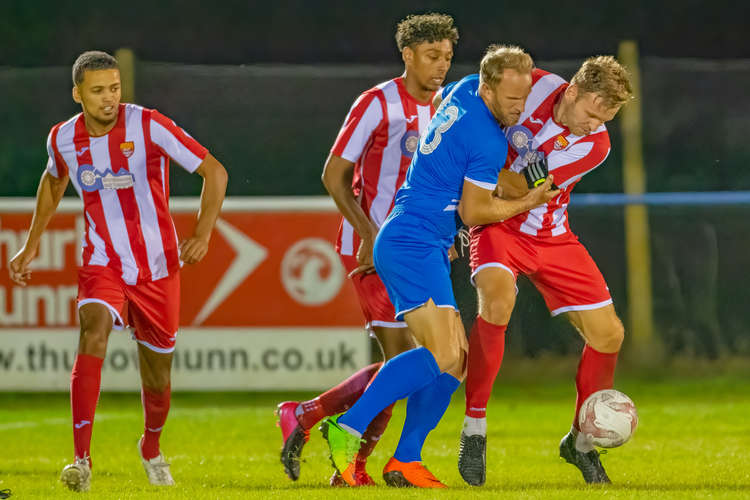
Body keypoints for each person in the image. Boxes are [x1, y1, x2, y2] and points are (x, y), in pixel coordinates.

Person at [319, 45, 558, 488]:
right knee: (443, 354)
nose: (517, 110)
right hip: (411, 241)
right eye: (510, 101)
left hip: (422, 240)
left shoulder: (464, 89)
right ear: (488, 87)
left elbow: (457, 154)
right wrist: (529, 198)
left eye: (523, 101)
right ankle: (346, 427)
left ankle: (405, 460)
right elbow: (474, 211)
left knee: (456, 362)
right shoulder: (486, 138)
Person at [8, 51, 228, 492]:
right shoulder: (63, 138)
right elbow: (53, 181)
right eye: (97, 91)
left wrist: (202, 233)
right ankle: (81, 460)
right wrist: (30, 245)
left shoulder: (149, 125)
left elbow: (214, 171)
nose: (109, 99)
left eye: (114, 88)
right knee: (92, 331)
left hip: (158, 267)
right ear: (77, 94)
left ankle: (150, 446)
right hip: (102, 259)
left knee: (157, 377)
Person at [274, 12, 458, 487]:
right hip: (374, 247)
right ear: (408, 55)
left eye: (448, 57)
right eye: (432, 56)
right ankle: (344, 460)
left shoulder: (448, 109)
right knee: (408, 356)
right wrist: (370, 234)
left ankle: (310, 416)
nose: (441, 66)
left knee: (424, 361)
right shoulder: (377, 103)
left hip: (424, 245)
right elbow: (333, 176)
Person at [456, 56, 633, 486]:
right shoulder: (531, 84)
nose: (595, 126)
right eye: (593, 114)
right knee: (499, 299)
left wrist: (471, 163)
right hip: (499, 224)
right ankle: (474, 428)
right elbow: (471, 90)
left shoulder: (596, 145)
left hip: (550, 233)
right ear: (572, 91)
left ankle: (581, 442)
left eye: (605, 119)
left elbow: (521, 185)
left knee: (609, 334)